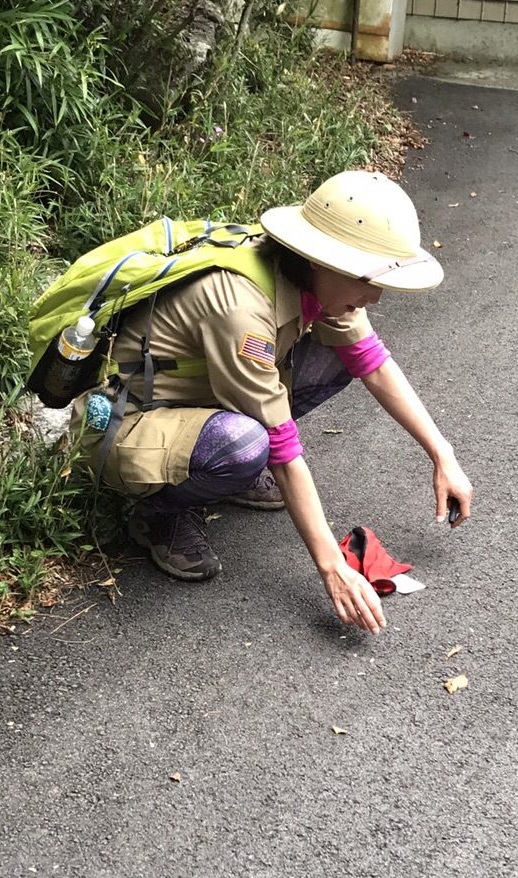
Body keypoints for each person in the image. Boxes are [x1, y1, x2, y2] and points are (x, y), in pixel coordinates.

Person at [87, 169, 473, 633]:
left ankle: (222, 472)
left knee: (336, 360)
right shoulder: (240, 309)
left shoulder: (310, 279)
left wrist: (441, 453)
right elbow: (283, 448)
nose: (376, 296)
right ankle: (157, 513)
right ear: (322, 260)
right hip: (129, 424)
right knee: (246, 446)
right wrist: (334, 568)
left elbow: (370, 360)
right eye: (369, 278)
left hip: (201, 396)